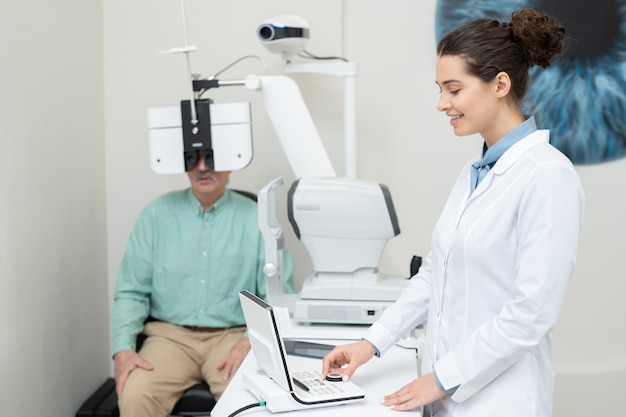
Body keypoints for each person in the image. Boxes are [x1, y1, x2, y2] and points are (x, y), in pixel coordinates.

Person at [322, 8, 585, 417]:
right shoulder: (474, 172)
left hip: (501, 401)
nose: (442, 103)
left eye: (454, 89)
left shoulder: (547, 175)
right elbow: (435, 273)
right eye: (440, 89)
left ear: (499, 84)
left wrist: (441, 379)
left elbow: (531, 315)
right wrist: (370, 343)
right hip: (443, 392)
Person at [111, 150, 293, 417]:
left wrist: (248, 342)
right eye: (193, 159)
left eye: (211, 158)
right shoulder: (155, 215)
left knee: (254, 403)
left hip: (233, 338)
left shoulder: (258, 220)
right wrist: (123, 350)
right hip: (169, 338)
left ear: (232, 164)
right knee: (136, 395)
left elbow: (277, 295)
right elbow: (131, 292)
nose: (202, 167)